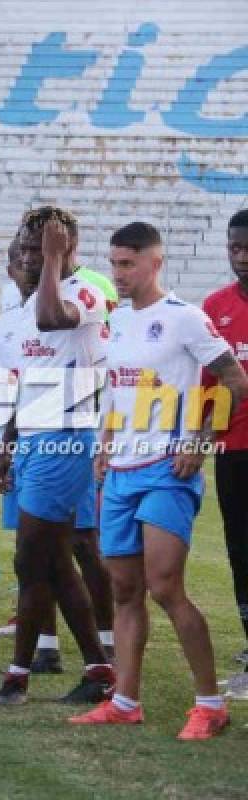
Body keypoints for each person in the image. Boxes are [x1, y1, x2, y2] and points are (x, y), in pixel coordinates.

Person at [69, 222, 247, 740]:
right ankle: (125, 701)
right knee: (124, 590)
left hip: (167, 470)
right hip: (119, 472)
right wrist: (102, 449)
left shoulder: (186, 319)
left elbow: (235, 381)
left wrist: (199, 438)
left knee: (166, 586)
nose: (119, 273)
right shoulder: (117, 320)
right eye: (115, 262)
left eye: (129, 263)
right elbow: (116, 392)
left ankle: (210, 704)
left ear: (155, 263)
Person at [0, 208, 115, 706]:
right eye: (24, 247)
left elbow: (51, 318)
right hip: (33, 439)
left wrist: (54, 259)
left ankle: (18, 673)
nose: (29, 256)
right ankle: (98, 669)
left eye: (40, 247)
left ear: (64, 248)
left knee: (31, 559)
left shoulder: (83, 290)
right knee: (56, 561)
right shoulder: (11, 320)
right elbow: (19, 388)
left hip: (68, 436)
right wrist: (5, 444)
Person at [203, 210, 248, 669]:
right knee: (240, 549)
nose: (242, 257)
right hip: (233, 449)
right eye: (235, 247)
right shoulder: (215, 307)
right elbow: (204, 384)